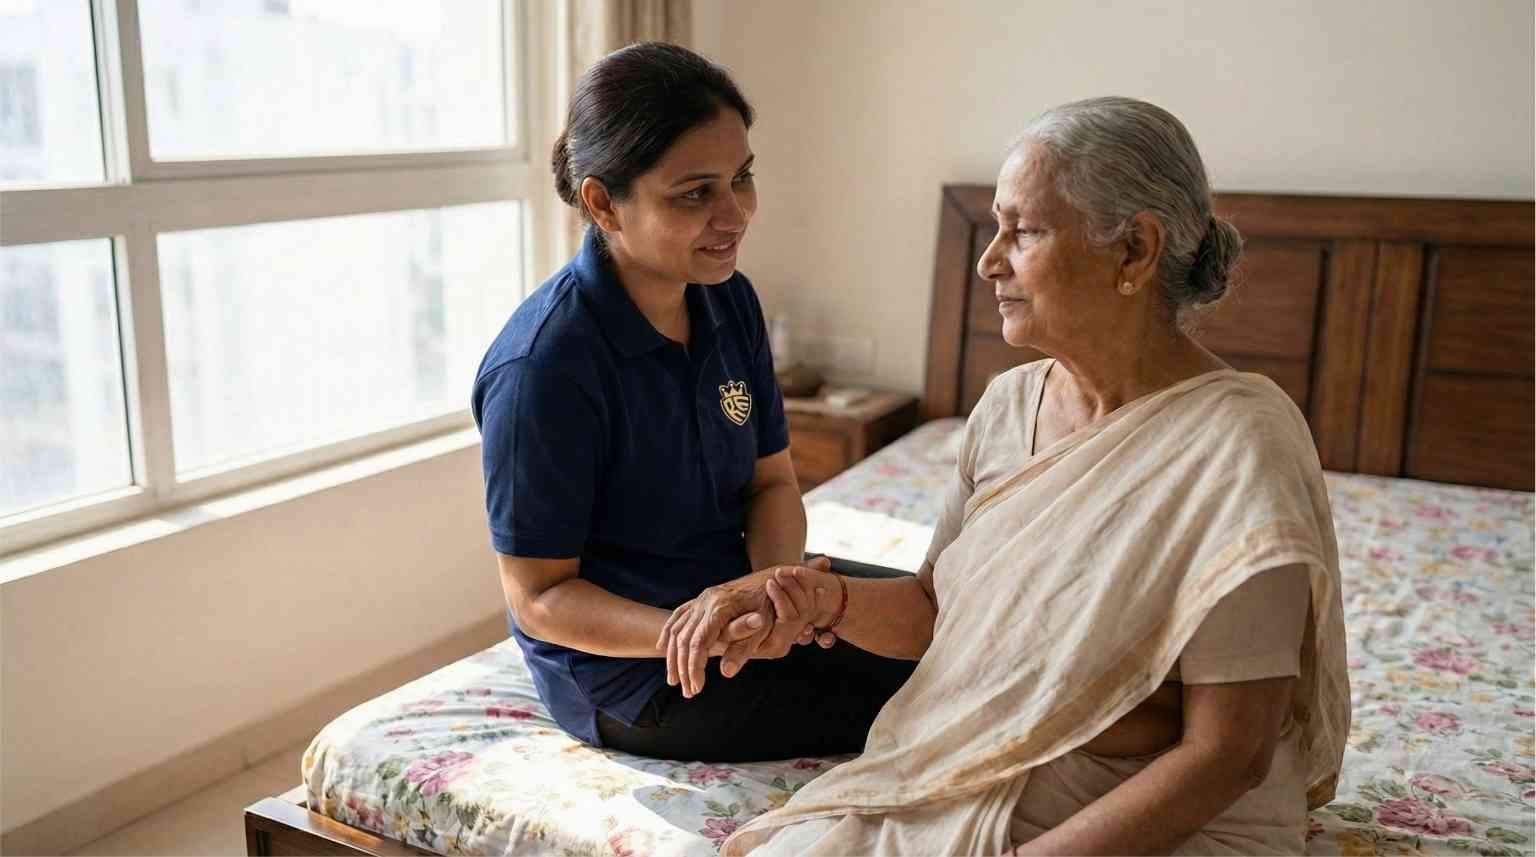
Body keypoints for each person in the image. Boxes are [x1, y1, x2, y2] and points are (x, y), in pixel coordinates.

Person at [693, 97, 1351, 855]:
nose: (988, 258)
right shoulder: (1007, 406)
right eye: (996, 225)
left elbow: (1228, 753)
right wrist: (817, 596)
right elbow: (936, 608)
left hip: (1150, 820)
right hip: (973, 771)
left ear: (1135, 250)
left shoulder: (1238, 446)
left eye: (1025, 231)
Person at [470, 42, 914, 763]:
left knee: (951, 620)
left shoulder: (727, 299)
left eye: (742, 178)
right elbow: (540, 597)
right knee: (939, 695)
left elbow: (772, 482)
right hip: (639, 670)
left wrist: (771, 589)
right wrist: (701, 629)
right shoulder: (544, 368)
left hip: (737, 599)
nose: (735, 215)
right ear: (603, 202)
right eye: (695, 193)